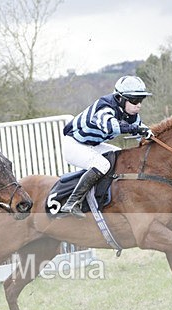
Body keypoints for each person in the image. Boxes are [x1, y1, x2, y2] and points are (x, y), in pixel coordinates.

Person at [59, 75, 154, 216]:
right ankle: (72, 202)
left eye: (141, 100)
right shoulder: (105, 106)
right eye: (134, 100)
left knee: (122, 156)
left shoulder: (130, 113)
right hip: (74, 145)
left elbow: (140, 128)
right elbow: (112, 126)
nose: (138, 105)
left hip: (93, 144)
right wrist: (137, 130)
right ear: (120, 98)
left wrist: (150, 134)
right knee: (102, 165)